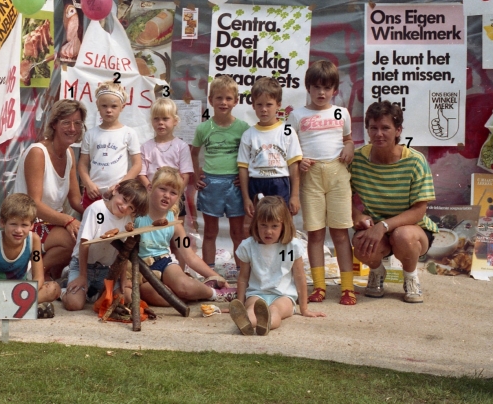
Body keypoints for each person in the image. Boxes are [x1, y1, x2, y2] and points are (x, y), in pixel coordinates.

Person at [351, 100, 438, 303]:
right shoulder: (357, 160)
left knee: (403, 236)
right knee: (360, 243)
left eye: (385, 128)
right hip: (377, 229)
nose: (378, 134)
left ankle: (410, 277)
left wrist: (384, 225)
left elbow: (419, 211)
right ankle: (377, 272)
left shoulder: (415, 160)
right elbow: (341, 194)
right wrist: (357, 215)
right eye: (373, 128)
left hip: (413, 230)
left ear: (398, 130)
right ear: (367, 130)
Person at [288, 60, 356, 305]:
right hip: (311, 177)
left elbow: (348, 139)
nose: (321, 93)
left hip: (338, 175)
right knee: (315, 234)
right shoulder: (297, 115)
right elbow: (289, 148)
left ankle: (347, 287)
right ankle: (319, 286)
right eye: (316, 87)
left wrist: (349, 148)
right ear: (307, 87)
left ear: (335, 90)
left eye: (327, 88)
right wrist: (300, 160)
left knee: (340, 234)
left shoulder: (341, 112)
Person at [127, 167, 236, 305]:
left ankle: (213, 293)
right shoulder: (136, 214)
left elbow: (189, 256)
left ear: (178, 197)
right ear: (150, 188)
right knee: (163, 296)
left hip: (164, 262)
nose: (167, 195)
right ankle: (195, 293)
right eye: (162, 189)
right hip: (140, 268)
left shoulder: (174, 222)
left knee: (184, 287)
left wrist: (215, 276)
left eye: (173, 193)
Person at [230, 196, 326, 336]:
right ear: (256, 224)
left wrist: (304, 308)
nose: (268, 231)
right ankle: (245, 321)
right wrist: (240, 303)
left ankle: (266, 323)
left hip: (284, 295)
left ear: (284, 225)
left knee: (275, 310)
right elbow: (243, 278)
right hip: (257, 293)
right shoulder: (248, 246)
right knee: (252, 309)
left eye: (274, 226)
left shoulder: (291, 246)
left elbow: (300, 277)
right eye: (263, 225)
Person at [14, 99, 86, 280]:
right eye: (66, 123)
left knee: (87, 236)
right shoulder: (38, 153)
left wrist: (104, 211)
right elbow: (34, 204)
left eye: (77, 123)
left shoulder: (69, 153)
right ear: (54, 124)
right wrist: (69, 220)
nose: (72, 128)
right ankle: (34, 274)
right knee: (73, 240)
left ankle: (48, 273)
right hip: (28, 221)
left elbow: (76, 200)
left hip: (53, 223)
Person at [62, 179, 148, 311]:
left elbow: (124, 252)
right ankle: (64, 290)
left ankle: (94, 293)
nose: (124, 207)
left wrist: (123, 280)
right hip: (83, 266)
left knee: (126, 299)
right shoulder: (96, 209)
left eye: (131, 207)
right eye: (124, 199)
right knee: (74, 304)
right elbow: (85, 244)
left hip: (107, 270)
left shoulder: (128, 219)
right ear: (116, 189)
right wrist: (82, 276)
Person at [191, 75, 249, 267]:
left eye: (228, 98)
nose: (223, 102)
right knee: (209, 231)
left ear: (236, 101)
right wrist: (196, 174)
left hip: (235, 184)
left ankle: (242, 272)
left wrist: (245, 178)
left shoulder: (243, 128)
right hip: (211, 184)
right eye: (219, 98)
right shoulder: (203, 128)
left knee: (238, 233)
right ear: (211, 100)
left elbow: (251, 154)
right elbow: (194, 152)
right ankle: (209, 272)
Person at [238, 76, 302, 217]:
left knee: (280, 224)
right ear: (253, 105)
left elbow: (294, 166)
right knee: (258, 226)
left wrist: (295, 196)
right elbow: (243, 168)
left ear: (278, 104)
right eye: (259, 105)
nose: (264, 109)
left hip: (280, 183)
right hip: (256, 183)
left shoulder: (287, 131)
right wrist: (246, 198)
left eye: (269, 104)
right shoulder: (248, 134)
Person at [78, 80, 142, 209]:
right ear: (97, 105)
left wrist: (120, 186)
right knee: (93, 226)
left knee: (117, 227)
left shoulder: (129, 133)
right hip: (93, 192)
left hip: (118, 193)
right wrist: (88, 184)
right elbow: (83, 164)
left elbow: (137, 164)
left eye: (113, 106)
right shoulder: (90, 134)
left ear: (122, 107)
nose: (108, 110)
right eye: (104, 106)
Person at [138, 97, 194, 224]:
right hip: (151, 197)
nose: (160, 123)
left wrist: (176, 195)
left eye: (165, 118)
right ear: (151, 121)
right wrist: (151, 190)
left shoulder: (181, 146)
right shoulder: (145, 147)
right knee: (151, 230)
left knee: (175, 231)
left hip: (175, 197)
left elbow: (185, 175)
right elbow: (142, 174)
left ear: (175, 121)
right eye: (156, 119)